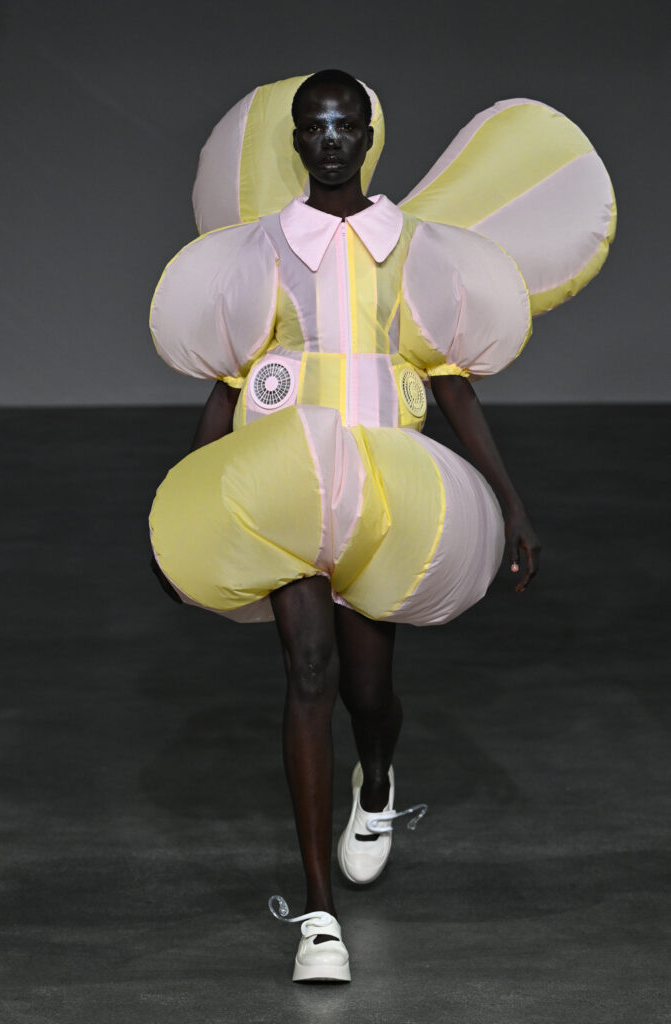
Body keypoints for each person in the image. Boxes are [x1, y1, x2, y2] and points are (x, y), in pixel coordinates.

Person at [148, 69, 615, 983]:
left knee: (368, 694)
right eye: (314, 127)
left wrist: (510, 501)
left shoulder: (409, 249)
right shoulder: (264, 250)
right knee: (308, 673)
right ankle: (318, 916)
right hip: (285, 478)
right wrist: (181, 511)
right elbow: (229, 385)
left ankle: (377, 780)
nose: (329, 141)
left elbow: (449, 381)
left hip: (380, 487)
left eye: (344, 126)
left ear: (368, 137)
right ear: (296, 140)